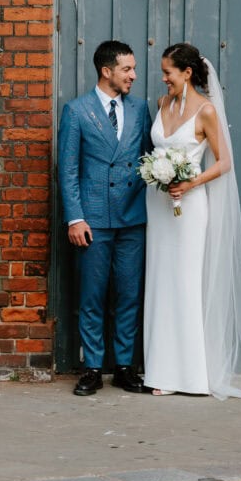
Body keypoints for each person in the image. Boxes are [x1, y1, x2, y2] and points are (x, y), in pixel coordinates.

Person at [143, 43, 241, 399]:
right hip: (158, 204)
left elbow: (224, 163)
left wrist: (191, 183)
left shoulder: (206, 111)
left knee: (186, 282)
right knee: (160, 281)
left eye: (168, 73)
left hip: (189, 208)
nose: (164, 79)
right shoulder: (161, 105)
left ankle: (191, 375)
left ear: (187, 73)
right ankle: (161, 371)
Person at [58, 40, 152, 397]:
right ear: (106, 70)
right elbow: (67, 171)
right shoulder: (77, 111)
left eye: (133, 69)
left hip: (131, 218)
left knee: (128, 295)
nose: (134, 75)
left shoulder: (141, 109)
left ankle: (125, 366)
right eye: (127, 69)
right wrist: (75, 218)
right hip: (93, 220)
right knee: (92, 297)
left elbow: (148, 158)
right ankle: (93, 368)